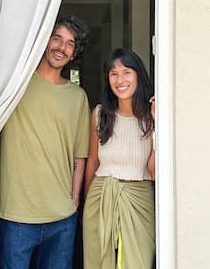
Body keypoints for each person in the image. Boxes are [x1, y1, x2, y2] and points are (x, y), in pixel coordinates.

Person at [0, 15, 90, 269]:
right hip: (15, 214)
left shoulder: (77, 97)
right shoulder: (15, 85)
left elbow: (80, 155)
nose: (61, 47)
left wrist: (74, 198)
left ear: (73, 53)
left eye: (70, 43)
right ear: (44, 40)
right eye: (56, 38)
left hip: (62, 218)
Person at [83, 48, 156, 269]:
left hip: (139, 199)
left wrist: (159, 123)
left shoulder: (152, 118)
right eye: (113, 74)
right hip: (100, 198)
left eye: (126, 72)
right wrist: (87, 205)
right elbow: (93, 162)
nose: (120, 80)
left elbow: (154, 171)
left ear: (138, 76)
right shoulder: (99, 114)